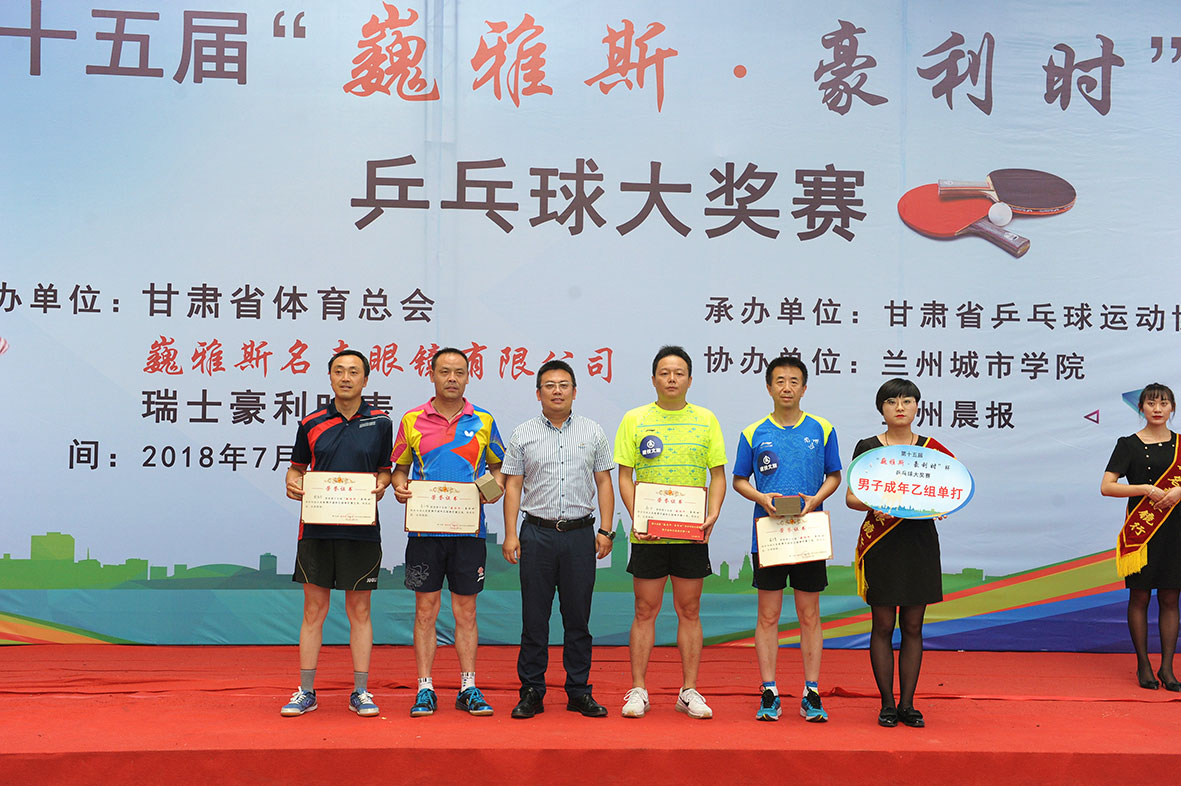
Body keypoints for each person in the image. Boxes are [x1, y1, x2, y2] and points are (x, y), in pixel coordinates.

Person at [391, 347, 506, 716]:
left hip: (469, 533)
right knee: (425, 610)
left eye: (459, 372)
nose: (452, 378)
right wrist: (399, 487)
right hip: (424, 533)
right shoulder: (412, 420)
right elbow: (399, 469)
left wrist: (494, 488)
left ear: (468, 377)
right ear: (432, 375)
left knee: (466, 611)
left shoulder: (484, 420)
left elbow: (499, 466)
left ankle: (468, 687)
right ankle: (425, 687)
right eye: (444, 371)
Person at [614, 345, 727, 719]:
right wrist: (638, 516)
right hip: (649, 535)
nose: (672, 379)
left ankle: (689, 690)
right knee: (644, 609)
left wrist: (712, 514)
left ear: (690, 380)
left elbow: (718, 475)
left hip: (690, 534)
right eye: (665, 373)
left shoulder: (706, 420)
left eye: (679, 373)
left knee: (689, 610)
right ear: (653, 379)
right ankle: (638, 690)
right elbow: (625, 476)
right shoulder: (635, 419)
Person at [501, 360, 616, 719]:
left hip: (580, 536)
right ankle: (531, 691)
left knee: (577, 618)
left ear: (574, 392)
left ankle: (579, 691)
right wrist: (510, 534)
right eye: (549, 385)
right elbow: (513, 485)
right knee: (534, 619)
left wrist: (606, 530)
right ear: (538, 393)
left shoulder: (593, 431)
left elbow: (604, 482)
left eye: (564, 385)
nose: (557, 391)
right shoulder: (523, 434)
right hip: (536, 534)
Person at [281, 349, 393, 718]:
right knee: (313, 609)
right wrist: (292, 482)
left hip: (361, 530)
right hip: (316, 528)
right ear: (330, 377)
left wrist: (382, 483)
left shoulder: (380, 423)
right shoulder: (310, 423)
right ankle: (305, 691)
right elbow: (296, 468)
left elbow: (385, 469)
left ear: (366, 379)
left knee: (359, 610)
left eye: (354, 372)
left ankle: (361, 691)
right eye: (339, 371)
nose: (346, 378)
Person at [732, 356, 841, 723]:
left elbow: (834, 475)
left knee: (810, 615)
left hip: (808, 534)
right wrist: (762, 499)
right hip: (769, 535)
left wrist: (815, 499)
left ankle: (812, 691)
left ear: (804, 388)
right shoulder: (753, 432)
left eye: (794, 381)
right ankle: (769, 690)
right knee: (768, 616)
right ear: (769, 387)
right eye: (780, 381)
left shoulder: (822, 428)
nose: (787, 387)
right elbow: (739, 480)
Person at [845, 378, 951, 729]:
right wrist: (878, 502)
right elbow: (851, 498)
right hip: (882, 543)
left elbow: (949, 490)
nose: (900, 407)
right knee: (883, 624)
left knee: (913, 626)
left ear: (918, 406)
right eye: (892, 401)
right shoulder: (868, 447)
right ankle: (887, 704)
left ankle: (908, 704)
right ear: (882, 409)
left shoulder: (931, 450)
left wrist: (941, 504)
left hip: (919, 542)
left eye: (907, 400)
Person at [1100, 383, 1181, 692]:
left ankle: (1168, 668)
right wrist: (1145, 488)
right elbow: (1107, 486)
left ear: (1172, 408)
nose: (1157, 409)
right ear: (1141, 408)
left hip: (1175, 530)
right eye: (1151, 403)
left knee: (1171, 598)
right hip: (1142, 533)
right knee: (1140, 596)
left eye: (1164, 403)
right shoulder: (1128, 445)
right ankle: (1143, 664)